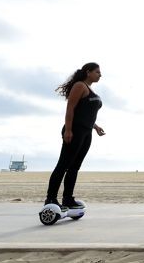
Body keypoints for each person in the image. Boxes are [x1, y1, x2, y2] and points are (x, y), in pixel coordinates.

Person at [45, 63, 105, 209]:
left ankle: (68, 199)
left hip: (86, 132)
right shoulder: (80, 86)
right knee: (63, 165)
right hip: (75, 131)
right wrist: (68, 130)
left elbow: (85, 113)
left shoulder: (89, 89)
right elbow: (70, 108)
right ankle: (51, 199)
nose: (100, 75)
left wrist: (95, 127)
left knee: (74, 168)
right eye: (97, 72)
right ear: (88, 72)